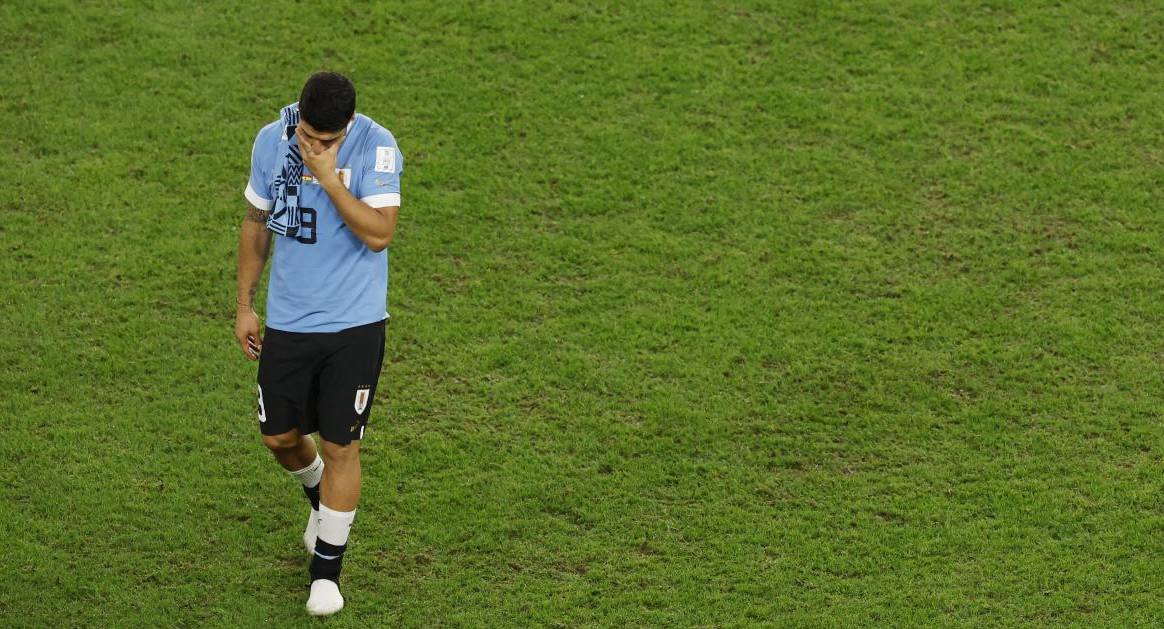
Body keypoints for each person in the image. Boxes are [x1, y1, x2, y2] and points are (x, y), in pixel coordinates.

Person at [233, 71, 402, 617]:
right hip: (288, 321)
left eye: (325, 141)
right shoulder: (271, 139)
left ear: (347, 127)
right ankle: (320, 500)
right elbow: (257, 223)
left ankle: (326, 573)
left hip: (354, 325)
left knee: (341, 447)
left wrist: (329, 178)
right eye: (307, 134)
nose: (312, 146)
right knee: (279, 438)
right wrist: (244, 305)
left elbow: (379, 233)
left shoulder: (377, 146)